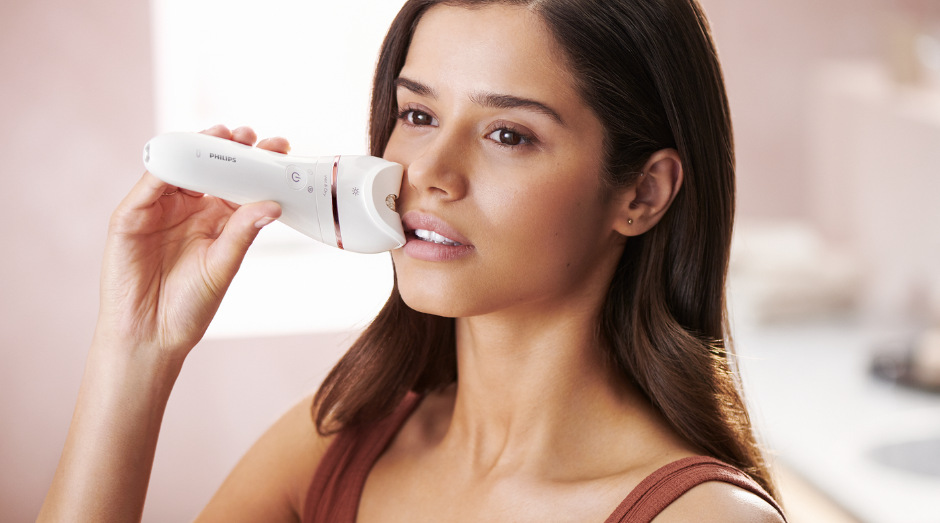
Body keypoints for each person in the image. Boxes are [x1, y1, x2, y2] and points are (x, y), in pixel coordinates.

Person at [39, 0, 788, 521]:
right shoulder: (333, 447)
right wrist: (136, 348)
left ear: (643, 193)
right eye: (419, 115)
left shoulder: (704, 517)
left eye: (508, 134)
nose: (428, 172)